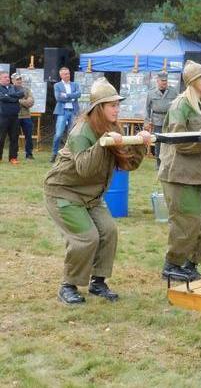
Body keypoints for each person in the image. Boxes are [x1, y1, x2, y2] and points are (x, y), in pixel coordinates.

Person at [43, 77, 150, 304]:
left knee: (109, 232)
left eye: (117, 104)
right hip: (64, 193)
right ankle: (68, 285)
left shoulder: (112, 128)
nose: (117, 109)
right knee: (86, 237)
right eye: (112, 105)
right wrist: (103, 143)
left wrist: (140, 144)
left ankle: (98, 283)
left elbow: (128, 164)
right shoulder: (82, 132)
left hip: (90, 196)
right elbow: (84, 169)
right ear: (99, 108)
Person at [159, 60, 201, 281]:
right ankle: (172, 265)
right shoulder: (181, 105)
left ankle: (190, 264)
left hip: (198, 175)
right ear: (192, 81)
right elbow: (181, 143)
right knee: (186, 222)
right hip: (178, 174)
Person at [144, 71, 178, 168]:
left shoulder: (173, 91)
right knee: (158, 141)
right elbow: (147, 108)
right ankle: (159, 163)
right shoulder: (151, 93)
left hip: (170, 120)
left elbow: (177, 106)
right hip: (157, 120)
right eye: (162, 81)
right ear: (157, 81)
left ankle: (169, 162)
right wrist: (147, 121)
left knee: (170, 141)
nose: (164, 83)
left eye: (166, 81)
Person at [51, 67, 82, 163]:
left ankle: (70, 154)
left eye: (68, 73)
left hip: (73, 111)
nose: (67, 75)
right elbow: (58, 98)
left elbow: (79, 94)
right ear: (61, 75)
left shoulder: (75, 84)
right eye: (65, 74)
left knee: (72, 133)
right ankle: (54, 154)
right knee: (59, 134)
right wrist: (72, 97)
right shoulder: (57, 85)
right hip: (62, 111)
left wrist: (66, 95)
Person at [0, 71, 24, 164]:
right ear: (0, 79)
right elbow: (2, 98)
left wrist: (9, 95)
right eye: (5, 77)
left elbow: (21, 94)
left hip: (15, 117)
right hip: (2, 117)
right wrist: (14, 98)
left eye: (8, 77)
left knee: (14, 138)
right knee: (1, 138)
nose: (7, 79)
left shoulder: (13, 87)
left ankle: (13, 158)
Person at [13, 73, 35, 160]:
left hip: (26, 116)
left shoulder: (26, 90)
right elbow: (9, 100)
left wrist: (18, 100)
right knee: (14, 136)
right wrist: (24, 101)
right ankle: (14, 155)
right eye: (17, 79)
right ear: (13, 80)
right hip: (15, 117)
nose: (19, 81)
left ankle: (29, 154)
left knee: (28, 136)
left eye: (20, 79)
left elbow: (30, 102)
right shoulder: (10, 89)